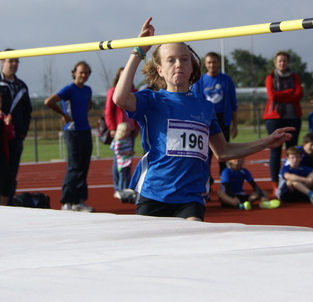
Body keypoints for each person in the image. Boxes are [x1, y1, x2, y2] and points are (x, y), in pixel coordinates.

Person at [113, 17, 294, 221]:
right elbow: (119, 98)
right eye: (171, 60)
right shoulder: (153, 100)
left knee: (193, 245)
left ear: (193, 67)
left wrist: (266, 142)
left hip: (190, 199)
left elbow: (223, 151)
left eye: (184, 59)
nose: (178, 64)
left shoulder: (205, 108)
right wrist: (138, 51)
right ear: (160, 70)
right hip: (154, 194)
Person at [44, 61, 94, 212]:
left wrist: (82, 113)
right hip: (72, 131)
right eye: (81, 72)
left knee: (84, 166)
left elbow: (88, 103)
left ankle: (79, 201)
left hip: (85, 130)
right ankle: (66, 202)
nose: (83, 75)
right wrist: (64, 114)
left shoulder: (88, 90)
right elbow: (49, 102)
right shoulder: (69, 89)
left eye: (86, 73)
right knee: (74, 166)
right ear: (74, 73)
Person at [0, 52, 32, 204]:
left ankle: (8, 204)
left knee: (10, 174)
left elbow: (27, 110)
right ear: (2, 62)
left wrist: (23, 131)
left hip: (14, 135)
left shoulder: (21, 85)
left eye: (17, 61)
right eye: (10, 61)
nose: (14, 64)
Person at [192, 51, 239, 180]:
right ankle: (206, 182)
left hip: (223, 119)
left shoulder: (226, 80)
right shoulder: (200, 81)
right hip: (206, 120)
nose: (212, 65)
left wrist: (234, 125)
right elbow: (196, 102)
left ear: (218, 63)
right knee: (205, 154)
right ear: (205, 64)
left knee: (223, 152)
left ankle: (225, 181)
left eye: (214, 62)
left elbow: (233, 103)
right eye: (209, 62)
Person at [263, 51, 304, 195]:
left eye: (285, 61)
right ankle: (275, 184)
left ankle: (292, 181)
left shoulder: (294, 76)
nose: (282, 63)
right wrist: (290, 93)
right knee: (275, 151)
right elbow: (272, 96)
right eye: (280, 61)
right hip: (274, 118)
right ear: (275, 62)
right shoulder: (270, 77)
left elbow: (299, 94)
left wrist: (283, 96)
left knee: (292, 151)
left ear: (288, 62)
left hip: (293, 117)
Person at [104, 68, 139, 198]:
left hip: (131, 130)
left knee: (128, 159)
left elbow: (138, 111)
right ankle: (118, 188)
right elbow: (108, 111)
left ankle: (127, 187)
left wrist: (137, 127)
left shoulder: (135, 92)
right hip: (119, 131)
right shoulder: (113, 92)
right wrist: (112, 128)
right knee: (118, 160)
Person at [110, 122, 136, 203]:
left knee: (127, 177)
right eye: (126, 131)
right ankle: (121, 192)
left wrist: (131, 152)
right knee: (123, 177)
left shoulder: (128, 140)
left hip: (128, 162)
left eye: (129, 131)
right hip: (122, 162)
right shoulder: (119, 141)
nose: (128, 132)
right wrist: (126, 152)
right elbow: (117, 151)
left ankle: (126, 191)